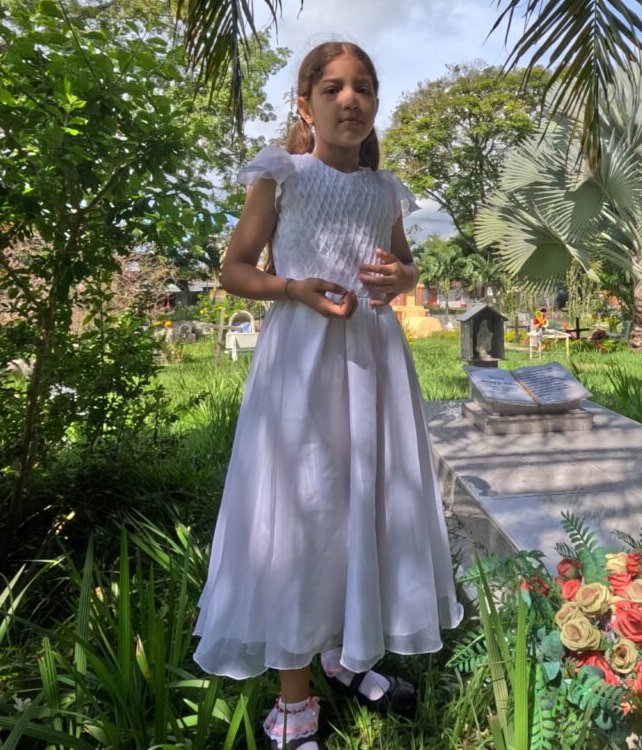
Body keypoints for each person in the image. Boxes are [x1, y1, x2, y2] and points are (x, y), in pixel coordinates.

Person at [192, 42, 462, 750]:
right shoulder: (281, 176)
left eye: (364, 88)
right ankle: (293, 702)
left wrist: (404, 280)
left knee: (362, 501)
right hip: (303, 365)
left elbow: (404, 265)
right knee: (303, 509)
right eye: (334, 87)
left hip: (373, 363)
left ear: (375, 104)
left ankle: (346, 653)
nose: (350, 100)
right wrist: (292, 288)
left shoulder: (384, 190)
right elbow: (234, 269)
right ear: (305, 104)